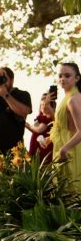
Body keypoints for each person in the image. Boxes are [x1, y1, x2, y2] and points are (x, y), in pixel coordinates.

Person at [50, 63, 81, 194]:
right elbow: (63, 125)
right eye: (60, 76)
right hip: (65, 147)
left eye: (67, 76)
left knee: (72, 192)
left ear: (77, 78)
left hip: (70, 151)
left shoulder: (73, 99)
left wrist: (64, 149)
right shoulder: (68, 97)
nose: (62, 79)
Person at [25, 91, 55, 163]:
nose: (43, 107)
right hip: (37, 144)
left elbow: (40, 130)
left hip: (43, 147)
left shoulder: (48, 117)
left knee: (41, 162)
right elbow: (35, 131)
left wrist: (29, 126)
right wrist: (27, 126)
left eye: (44, 105)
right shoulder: (41, 117)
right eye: (41, 105)